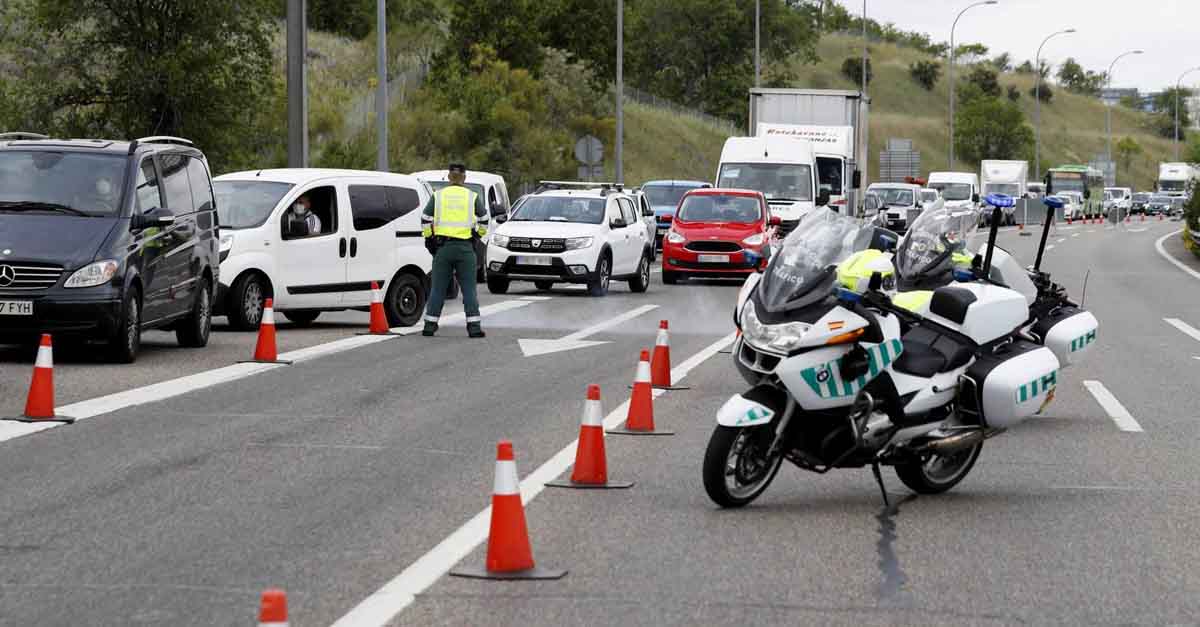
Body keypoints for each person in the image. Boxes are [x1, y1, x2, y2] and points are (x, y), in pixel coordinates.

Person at [421, 163, 489, 338]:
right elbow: (484, 220)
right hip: (465, 249)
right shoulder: (472, 196)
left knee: (438, 288)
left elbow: (425, 217)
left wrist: (429, 239)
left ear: (449, 178)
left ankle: (430, 325)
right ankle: (473, 328)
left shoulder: (438, 196)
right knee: (469, 289)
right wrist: (476, 236)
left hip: (443, 248)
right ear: (464, 178)